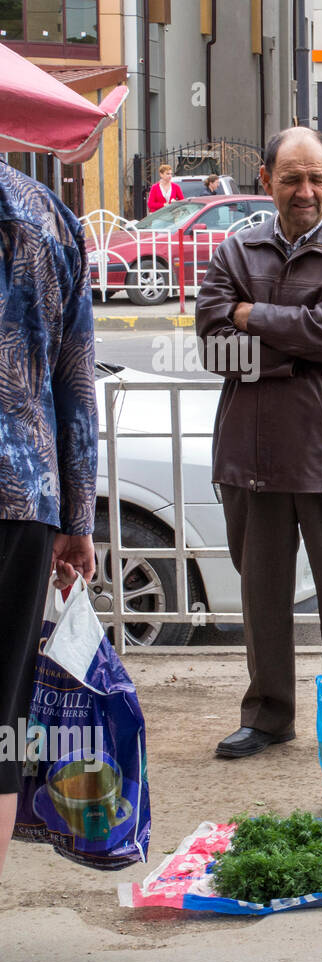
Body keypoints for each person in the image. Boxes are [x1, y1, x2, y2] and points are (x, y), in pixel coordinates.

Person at [195, 127, 322, 758]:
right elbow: (214, 347)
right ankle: (268, 714)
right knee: (262, 594)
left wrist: (256, 318)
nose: (304, 191)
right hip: (250, 455)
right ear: (266, 182)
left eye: (316, 178)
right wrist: (309, 350)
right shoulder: (235, 251)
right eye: (290, 179)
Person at [0, 161, 98, 876]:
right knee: (3, 719)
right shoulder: (49, 214)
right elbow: (76, 378)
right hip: (23, 495)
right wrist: (78, 516)